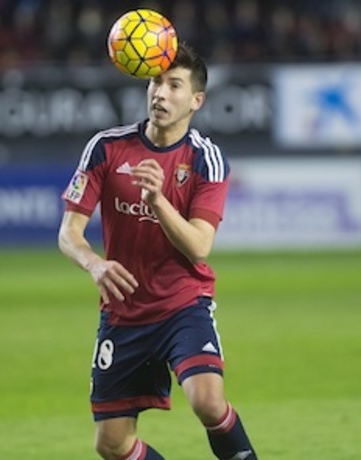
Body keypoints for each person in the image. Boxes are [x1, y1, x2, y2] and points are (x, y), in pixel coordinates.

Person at [58, 43, 257, 460]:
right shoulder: (106, 148)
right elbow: (69, 233)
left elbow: (200, 246)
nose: (160, 94)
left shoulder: (206, 159)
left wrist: (158, 201)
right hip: (123, 313)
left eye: (174, 85)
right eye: (155, 82)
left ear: (196, 100)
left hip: (182, 305)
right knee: (111, 444)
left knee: (207, 400)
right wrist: (93, 264)